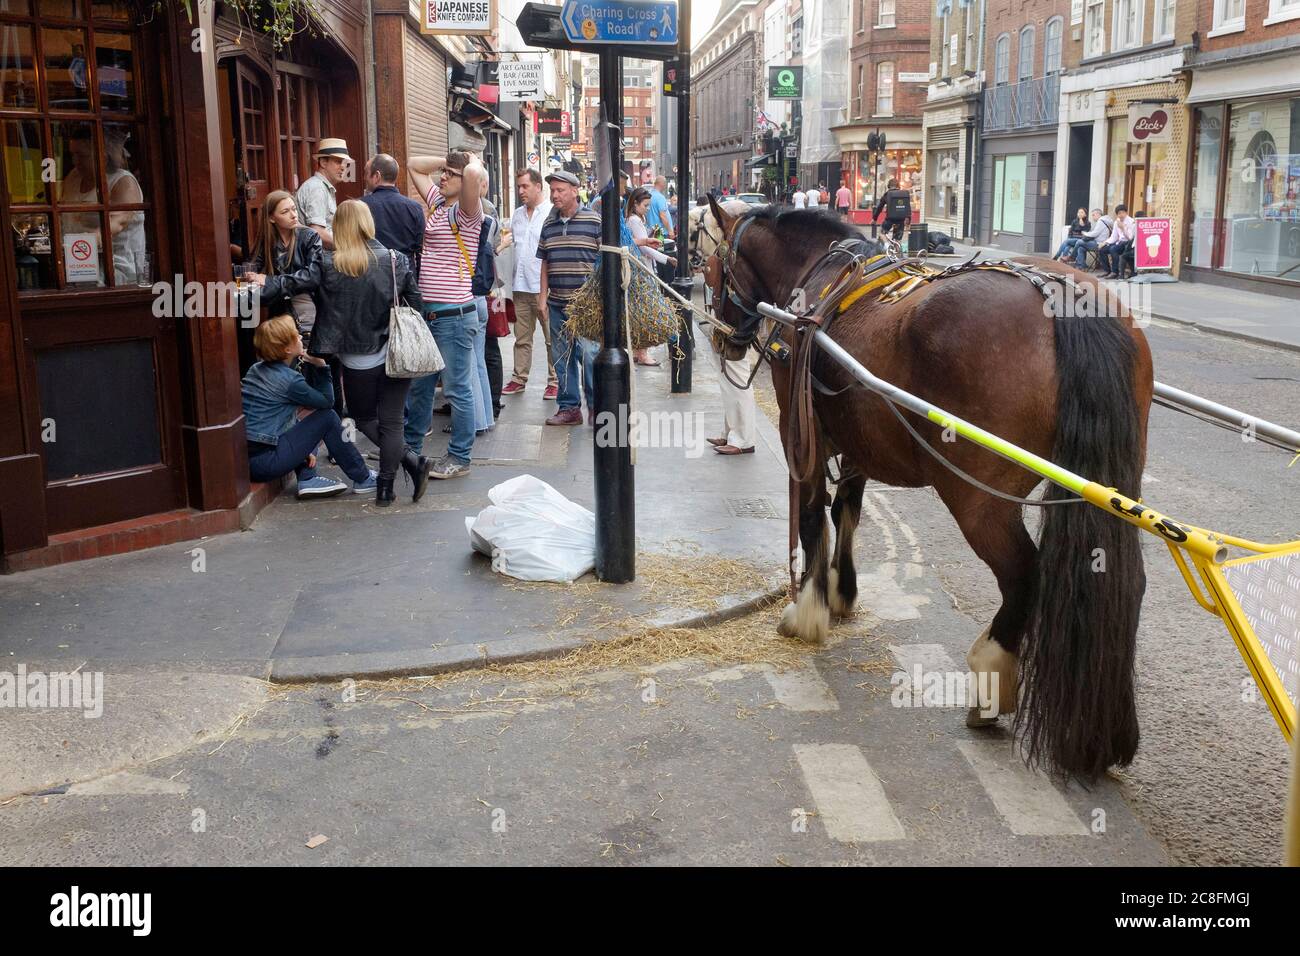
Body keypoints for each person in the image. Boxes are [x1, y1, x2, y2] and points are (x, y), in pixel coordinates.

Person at [295, 200, 429, 506]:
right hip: (397, 352)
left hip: (357, 359)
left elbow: (295, 283)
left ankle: (408, 461)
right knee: (393, 422)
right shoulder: (394, 259)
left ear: (339, 227)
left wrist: (261, 286)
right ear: (368, 224)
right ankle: (386, 487)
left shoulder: (329, 264)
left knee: (364, 417)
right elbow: (416, 300)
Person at [404, 150, 487, 480]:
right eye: (444, 174)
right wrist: (445, 162)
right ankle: (409, 447)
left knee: (456, 389)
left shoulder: (467, 212)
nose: (443, 178)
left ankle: (460, 456)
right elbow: (413, 165)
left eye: (450, 175)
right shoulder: (438, 204)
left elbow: (471, 176)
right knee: (421, 386)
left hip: (454, 315)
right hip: (429, 314)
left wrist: (469, 163)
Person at [240, 314, 375, 500]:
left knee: (304, 417)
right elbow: (327, 403)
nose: (301, 337)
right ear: (287, 349)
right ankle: (363, 478)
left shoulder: (256, 369)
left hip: (246, 460)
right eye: (296, 336)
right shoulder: (290, 381)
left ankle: (308, 478)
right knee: (326, 417)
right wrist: (321, 366)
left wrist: (304, 451)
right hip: (266, 461)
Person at [537, 170, 601, 426]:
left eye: (560, 190)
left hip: (586, 307)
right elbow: (544, 262)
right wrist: (542, 297)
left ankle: (596, 408)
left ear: (575, 191)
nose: (555, 195)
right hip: (557, 303)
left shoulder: (594, 220)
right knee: (561, 358)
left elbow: (605, 260)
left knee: (589, 355)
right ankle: (569, 408)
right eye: (552, 190)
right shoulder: (548, 224)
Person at [500, 168, 557, 399]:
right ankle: (518, 378)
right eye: (519, 187)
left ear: (537, 187)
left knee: (553, 338)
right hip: (521, 285)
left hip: (545, 287)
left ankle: (555, 380)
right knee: (521, 337)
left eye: (525, 186)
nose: (521, 191)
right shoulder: (517, 215)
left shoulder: (551, 213)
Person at [246, 190, 324, 333]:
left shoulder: (309, 237)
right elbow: (249, 274)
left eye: (294, 209)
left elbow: (313, 277)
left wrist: (270, 281)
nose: (294, 215)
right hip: (279, 317)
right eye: (285, 212)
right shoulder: (266, 242)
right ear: (271, 218)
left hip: (308, 312)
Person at [625, 186, 677, 368]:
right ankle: (642, 353)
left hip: (642, 268)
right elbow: (643, 247)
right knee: (645, 312)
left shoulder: (638, 219)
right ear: (636, 204)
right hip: (642, 270)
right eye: (645, 205)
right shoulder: (634, 220)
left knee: (639, 311)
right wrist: (666, 258)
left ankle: (638, 351)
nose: (648, 208)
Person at [361, 153, 425, 265]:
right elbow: (421, 250)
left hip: (370, 275)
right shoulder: (415, 208)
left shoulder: (359, 206)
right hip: (406, 276)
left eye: (366, 173)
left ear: (377, 176)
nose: (364, 178)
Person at [296, 137, 352, 250]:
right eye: (338, 161)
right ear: (323, 162)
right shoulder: (317, 188)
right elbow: (318, 232)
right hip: (317, 259)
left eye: (344, 163)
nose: (343, 167)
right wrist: (348, 248)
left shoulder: (322, 187)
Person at [1097, 204, 1136, 279]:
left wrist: (1123, 228)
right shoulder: (1116, 222)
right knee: (1102, 249)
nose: (1121, 215)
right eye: (1119, 213)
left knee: (1113, 249)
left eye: (1122, 213)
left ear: (1126, 213)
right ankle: (1107, 270)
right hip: (1119, 243)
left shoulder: (1131, 222)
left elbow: (1130, 237)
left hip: (1127, 244)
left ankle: (1115, 272)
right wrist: (1105, 243)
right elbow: (1114, 237)